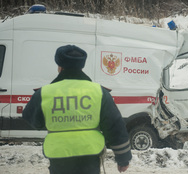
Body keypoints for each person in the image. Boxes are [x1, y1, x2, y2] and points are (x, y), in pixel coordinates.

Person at [22, 45, 132, 174]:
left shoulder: (45, 92)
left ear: (60, 66)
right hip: (90, 156)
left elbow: (31, 119)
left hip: (59, 156)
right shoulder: (98, 91)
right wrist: (123, 159)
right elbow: (115, 126)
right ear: (81, 66)